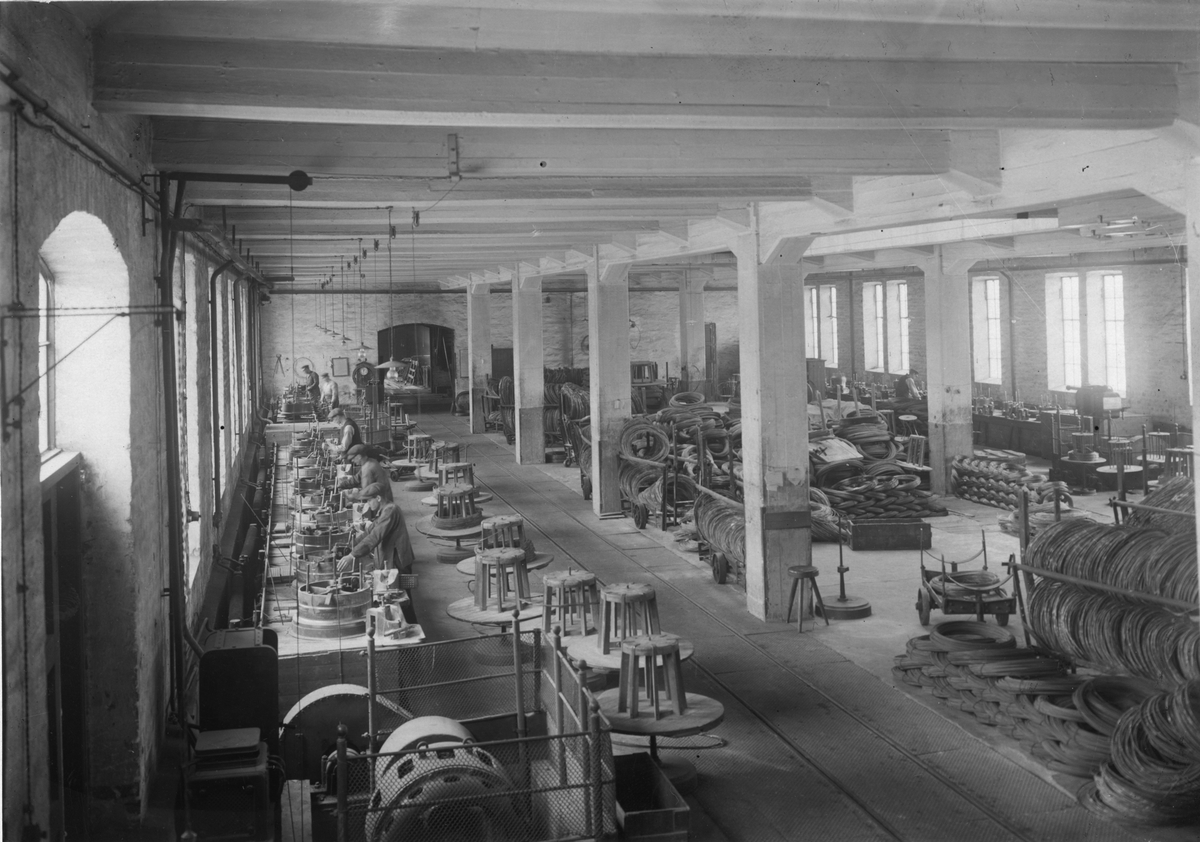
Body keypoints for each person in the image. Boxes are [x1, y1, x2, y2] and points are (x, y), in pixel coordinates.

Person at [338, 488, 417, 622]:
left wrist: (352, 555)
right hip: (391, 560)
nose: (368, 505)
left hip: (397, 561)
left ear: (378, 498)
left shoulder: (390, 511)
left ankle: (411, 628)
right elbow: (369, 532)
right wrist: (349, 547)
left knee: (401, 602)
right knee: (397, 601)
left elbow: (375, 536)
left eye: (369, 500)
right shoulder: (383, 511)